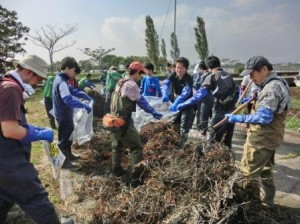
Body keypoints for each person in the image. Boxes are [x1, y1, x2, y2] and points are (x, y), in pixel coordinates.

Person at [0, 55, 60, 223]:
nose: (37, 83)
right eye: (38, 78)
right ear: (28, 71)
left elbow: (8, 120)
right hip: (7, 160)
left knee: (4, 195)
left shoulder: (5, 84)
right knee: (36, 198)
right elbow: (10, 130)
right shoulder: (11, 89)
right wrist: (36, 134)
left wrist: (30, 128)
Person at [225, 56, 291, 207]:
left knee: (248, 173)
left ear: (264, 69)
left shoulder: (271, 88)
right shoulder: (277, 83)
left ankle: (249, 206)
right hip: (272, 137)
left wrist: (237, 118)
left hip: (262, 138)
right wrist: (254, 98)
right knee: (266, 171)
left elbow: (264, 118)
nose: (250, 77)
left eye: (252, 73)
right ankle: (268, 202)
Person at [110, 61, 162, 187]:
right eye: (141, 74)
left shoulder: (120, 82)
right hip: (124, 121)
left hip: (113, 119)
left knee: (117, 146)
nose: (141, 77)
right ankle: (135, 178)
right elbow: (141, 101)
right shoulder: (131, 85)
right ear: (137, 72)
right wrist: (153, 111)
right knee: (136, 147)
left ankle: (116, 171)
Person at [177, 56, 237, 149]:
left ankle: (212, 160)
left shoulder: (211, 77)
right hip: (232, 112)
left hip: (219, 111)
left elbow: (198, 95)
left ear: (209, 67)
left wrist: (184, 104)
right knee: (227, 139)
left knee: (213, 140)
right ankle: (227, 159)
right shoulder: (229, 76)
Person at [52, 57, 93, 169]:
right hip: (63, 114)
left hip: (64, 113)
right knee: (64, 138)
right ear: (66, 68)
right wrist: (83, 105)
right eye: (73, 70)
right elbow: (68, 99)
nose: (74, 73)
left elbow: (72, 90)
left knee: (68, 135)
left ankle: (68, 155)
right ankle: (62, 161)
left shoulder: (61, 79)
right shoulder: (61, 81)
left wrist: (83, 95)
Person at [161, 57, 194, 146]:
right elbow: (166, 84)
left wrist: (177, 102)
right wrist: (165, 93)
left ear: (186, 69)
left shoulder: (188, 78)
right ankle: (174, 142)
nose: (178, 70)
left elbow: (186, 92)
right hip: (177, 101)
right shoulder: (173, 75)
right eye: (177, 67)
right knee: (174, 122)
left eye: (181, 68)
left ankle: (182, 144)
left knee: (184, 125)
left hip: (187, 104)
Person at [197, 61, 214, 137]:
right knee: (212, 115)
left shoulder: (204, 76)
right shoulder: (213, 74)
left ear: (201, 68)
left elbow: (201, 87)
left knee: (204, 115)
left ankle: (203, 131)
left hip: (205, 98)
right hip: (214, 98)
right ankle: (213, 130)